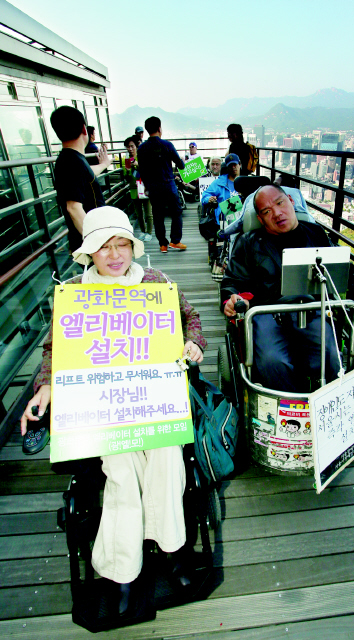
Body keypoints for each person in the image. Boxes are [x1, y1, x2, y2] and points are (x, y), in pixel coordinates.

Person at [20, 207, 206, 615]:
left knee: (166, 459)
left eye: (123, 244)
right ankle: (129, 569)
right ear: (89, 253)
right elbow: (55, 349)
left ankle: (168, 551)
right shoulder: (73, 292)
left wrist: (192, 344)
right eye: (105, 247)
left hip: (153, 398)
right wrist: (45, 386)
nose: (116, 255)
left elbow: (190, 318)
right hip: (104, 408)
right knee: (121, 470)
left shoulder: (155, 281)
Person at [221, 184, 340, 393]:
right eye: (266, 211)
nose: (277, 213)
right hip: (266, 313)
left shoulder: (316, 235)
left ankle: (327, 404)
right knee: (271, 361)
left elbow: (335, 275)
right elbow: (232, 282)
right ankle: (286, 407)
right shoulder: (248, 243)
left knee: (330, 354)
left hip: (311, 309)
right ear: (260, 218)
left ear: (291, 202)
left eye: (280, 203)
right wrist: (231, 299)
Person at [50, 106, 110, 253]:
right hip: (90, 244)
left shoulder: (72, 159)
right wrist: (100, 244)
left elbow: (86, 174)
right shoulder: (71, 162)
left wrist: (103, 164)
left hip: (89, 239)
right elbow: (73, 208)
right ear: (84, 129)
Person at [137, 116, 186, 253]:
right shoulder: (167, 145)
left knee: (158, 215)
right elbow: (181, 166)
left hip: (153, 187)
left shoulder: (142, 149)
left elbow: (142, 170)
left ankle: (163, 244)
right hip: (168, 184)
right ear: (159, 128)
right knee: (176, 212)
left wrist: (147, 185)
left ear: (147, 130)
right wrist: (181, 160)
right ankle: (175, 241)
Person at [123, 136, 153, 242]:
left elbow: (148, 171)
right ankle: (143, 231)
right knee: (139, 214)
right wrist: (127, 170)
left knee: (148, 212)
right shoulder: (126, 160)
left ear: (136, 146)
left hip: (144, 188)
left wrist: (138, 165)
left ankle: (149, 232)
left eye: (132, 146)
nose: (130, 149)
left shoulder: (143, 157)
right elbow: (126, 178)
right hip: (134, 189)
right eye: (128, 147)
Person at [201, 153, 241, 222]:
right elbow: (204, 196)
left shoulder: (246, 182)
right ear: (227, 167)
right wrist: (209, 199)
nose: (233, 167)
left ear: (239, 165)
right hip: (225, 218)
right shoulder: (219, 182)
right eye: (230, 165)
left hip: (243, 215)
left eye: (235, 164)